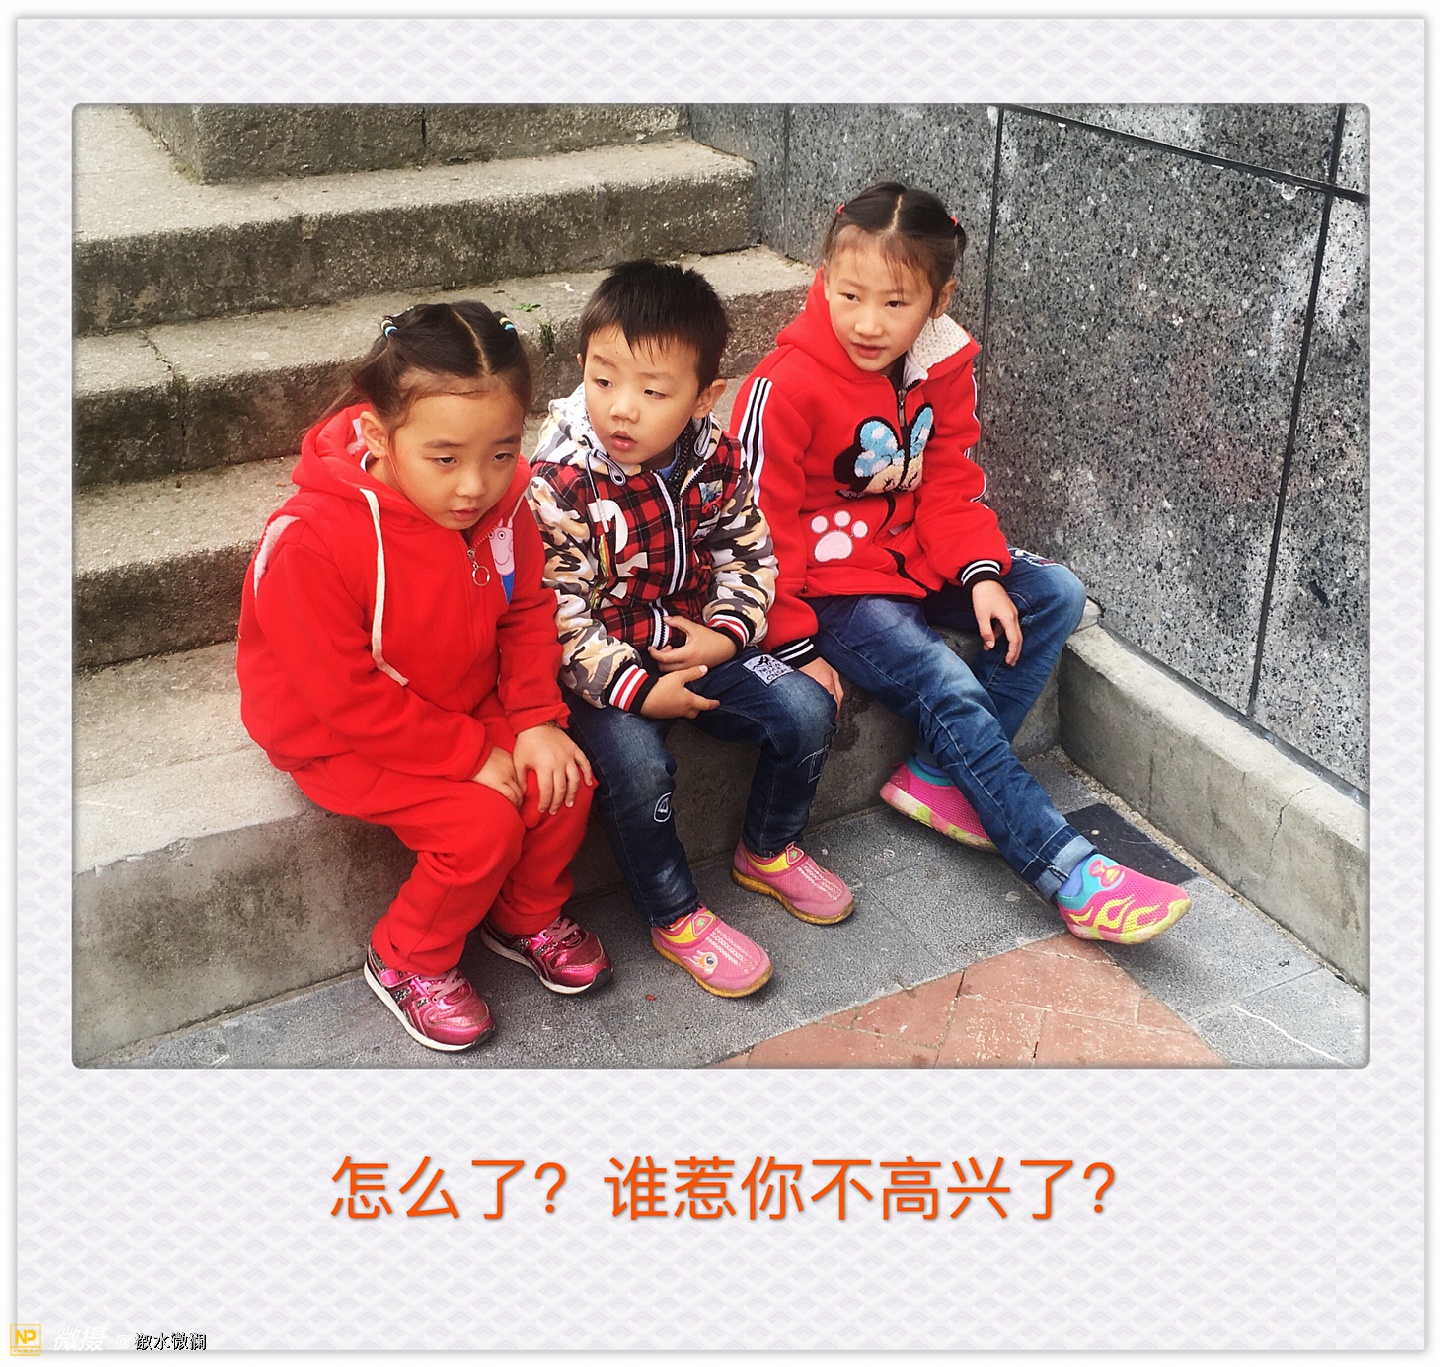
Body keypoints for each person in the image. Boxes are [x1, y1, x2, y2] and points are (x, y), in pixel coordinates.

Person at [731, 182, 1191, 944]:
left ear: (937, 300)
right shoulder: (785, 386)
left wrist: (980, 574)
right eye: (850, 295)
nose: (868, 322)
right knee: (945, 681)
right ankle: (1068, 869)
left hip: (915, 557)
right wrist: (794, 642)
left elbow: (948, 482)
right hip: (834, 590)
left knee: (1053, 592)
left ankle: (940, 775)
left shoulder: (940, 365)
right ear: (823, 277)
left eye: (896, 302)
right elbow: (755, 530)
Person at [236, 301, 609, 1054]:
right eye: (445, 459)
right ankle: (408, 957)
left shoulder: (504, 505)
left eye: (501, 453)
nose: (475, 485)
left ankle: (524, 916)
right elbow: (345, 697)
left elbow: (525, 609)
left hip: (459, 697)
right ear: (378, 435)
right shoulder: (309, 543)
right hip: (337, 736)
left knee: (564, 779)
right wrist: (469, 755)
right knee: (481, 826)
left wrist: (535, 719)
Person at [527, 260, 853, 999]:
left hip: (697, 638)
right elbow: (558, 614)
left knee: (807, 707)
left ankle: (769, 847)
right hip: (601, 668)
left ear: (705, 395)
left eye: (653, 391)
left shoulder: (715, 457)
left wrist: (728, 636)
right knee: (638, 767)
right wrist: (641, 692)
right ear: (582, 366)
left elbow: (749, 552)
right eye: (603, 379)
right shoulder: (561, 482)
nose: (622, 409)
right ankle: (673, 912)